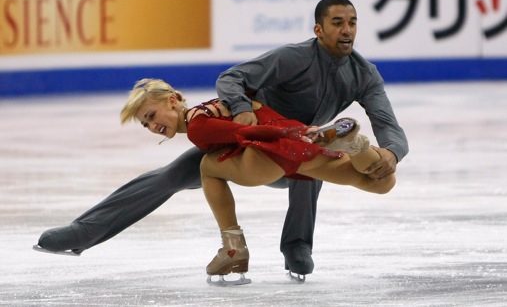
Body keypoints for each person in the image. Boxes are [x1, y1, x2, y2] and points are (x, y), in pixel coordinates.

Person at [34, 0, 408, 281]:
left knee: (311, 167)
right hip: (252, 139)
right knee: (170, 177)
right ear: (319, 29)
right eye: (338, 23)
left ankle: (294, 246)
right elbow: (232, 78)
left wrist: (392, 152)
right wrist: (242, 108)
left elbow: (387, 120)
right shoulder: (292, 58)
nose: (347, 30)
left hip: (294, 142)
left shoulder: (364, 74)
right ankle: (83, 232)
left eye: (352, 23)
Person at [119, 78, 395, 284]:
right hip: (301, 148)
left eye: (152, 116)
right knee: (381, 183)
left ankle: (233, 249)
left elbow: (246, 131)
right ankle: (357, 146)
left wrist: (292, 132)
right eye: (146, 124)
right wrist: (302, 133)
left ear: (173, 99)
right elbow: (263, 113)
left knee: (208, 168)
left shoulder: (197, 127)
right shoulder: (229, 100)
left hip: (270, 155)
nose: (153, 126)